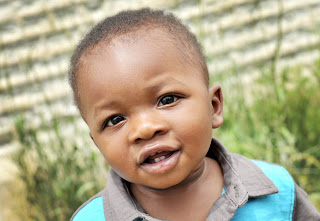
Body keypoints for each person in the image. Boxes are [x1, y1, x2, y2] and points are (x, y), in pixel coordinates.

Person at [68, 8, 319, 221]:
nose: (145, 128)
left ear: (214, 107)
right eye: (115, 120)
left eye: (167, 100)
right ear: (97, 143)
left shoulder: (275, 191)